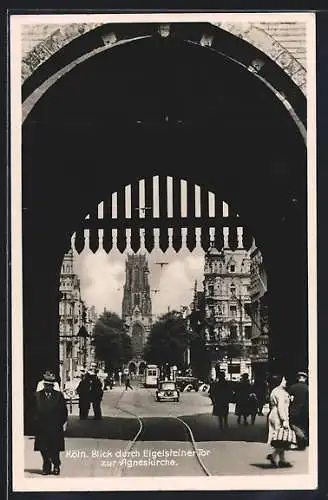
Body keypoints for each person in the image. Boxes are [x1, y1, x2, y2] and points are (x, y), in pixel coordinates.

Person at [34, 371, 68, 475]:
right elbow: (33, 410)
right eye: (46, 384)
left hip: (55, 426)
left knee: (54, 448)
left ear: (53, 385)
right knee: (43, 448)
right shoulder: (37, 396)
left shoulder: (58, 396)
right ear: (43, 384)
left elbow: (63, 411)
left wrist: (62, 423)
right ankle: (46, 465)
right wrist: (35, 422)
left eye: (50, 385)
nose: (48, 387)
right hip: (42, 426)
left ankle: (56, 465)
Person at [266, 374, 292, 468]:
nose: (286, 381)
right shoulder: (280, 393)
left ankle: (282, 460)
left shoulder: (274, 391)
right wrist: (284, 419)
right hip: (278, 415)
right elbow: (281, 407)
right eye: (284, 380)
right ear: (280, 381)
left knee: (280, 437)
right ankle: (274, 455)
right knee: (282, 437)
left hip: (273, 413)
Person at [288, 371, 309, 450]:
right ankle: (302, 444)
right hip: (305, 411)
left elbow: (289, 399)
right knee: (303, 426)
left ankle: (301, 438)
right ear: (305, 379)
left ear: (298, 378)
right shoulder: (308, 388)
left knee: (294, 425)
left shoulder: (292, 387)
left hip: (294, 411)